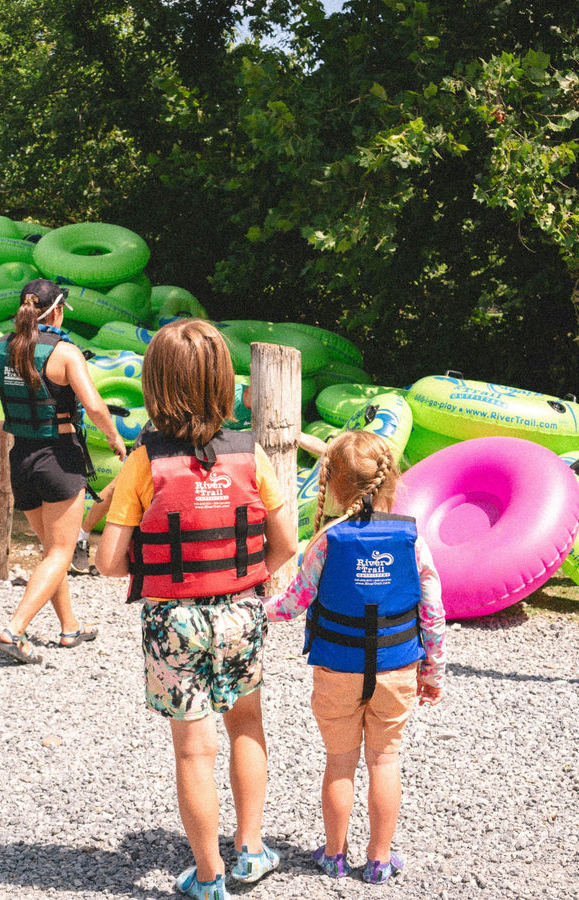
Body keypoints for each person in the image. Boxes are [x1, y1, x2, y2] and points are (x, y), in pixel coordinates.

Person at [95, 319, 296, 900]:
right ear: (222, 384)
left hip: (174, 621)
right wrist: (248, 577)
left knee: (193, 748)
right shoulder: (249, 454)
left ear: (156, 387)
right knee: (247, 726)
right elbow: (285, 542)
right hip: (240, 611)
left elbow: (109, 561)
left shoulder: (144, 462)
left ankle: (209, 878)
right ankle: (251, 849)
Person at [264, 430, 446, 885]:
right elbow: (433, 612)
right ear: (389, 483)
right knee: (385, 761)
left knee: (340, 761)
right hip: (396, 670)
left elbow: (295, 601)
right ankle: (380, 860)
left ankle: (333, 856)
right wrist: (433, 672)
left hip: (337, 670)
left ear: (335, 485)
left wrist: (257, 611)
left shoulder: (328, 541)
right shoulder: (411, 541)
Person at [0, 278, 127, 664]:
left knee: (51, 551)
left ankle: (70, 627)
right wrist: (114, 438)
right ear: (56, 311)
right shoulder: (65, 352)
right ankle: (13, 630)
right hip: (58, 459)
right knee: (61, 550)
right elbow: (94, 407)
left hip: (20, 459)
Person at [70, 383, 255, 575]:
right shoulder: (231, 396)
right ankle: (81, 536)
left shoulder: (271, 405)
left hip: (198, 448)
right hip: (166, 431)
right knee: (119, 485)